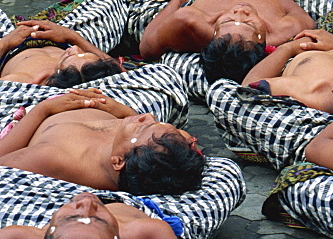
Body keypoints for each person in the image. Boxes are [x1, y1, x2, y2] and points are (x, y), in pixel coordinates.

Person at [0, 87, 205, 194]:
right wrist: (125, 114)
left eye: (146, 125)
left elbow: (2, 162)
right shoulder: (133, 150)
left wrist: (41, 110)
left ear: (118, 161)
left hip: (29, 119)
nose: (148, 116)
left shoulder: (53, 157)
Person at [138, 0, 314, 65]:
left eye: (228, 20)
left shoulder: (190, 20)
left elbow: (146, 48)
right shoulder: (283, 30)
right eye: (250, 24)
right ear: (263, 39)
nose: (239, 11)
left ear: (214, 31)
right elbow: (303, 16)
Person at [0, 190, 180, 239]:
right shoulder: (149, 230)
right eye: (99, 219)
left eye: (69, 218)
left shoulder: (17, 236)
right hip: (130, 202)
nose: (87, 204)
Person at [0, 17, 123, 87]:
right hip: (59, 37)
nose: (74, 48)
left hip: (10, 47)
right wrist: (72, 36)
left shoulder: (25, 80)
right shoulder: (93, 70)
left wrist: (6, 42)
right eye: (84, 52)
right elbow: (126, 75)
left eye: (68, 56)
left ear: (59, 73)